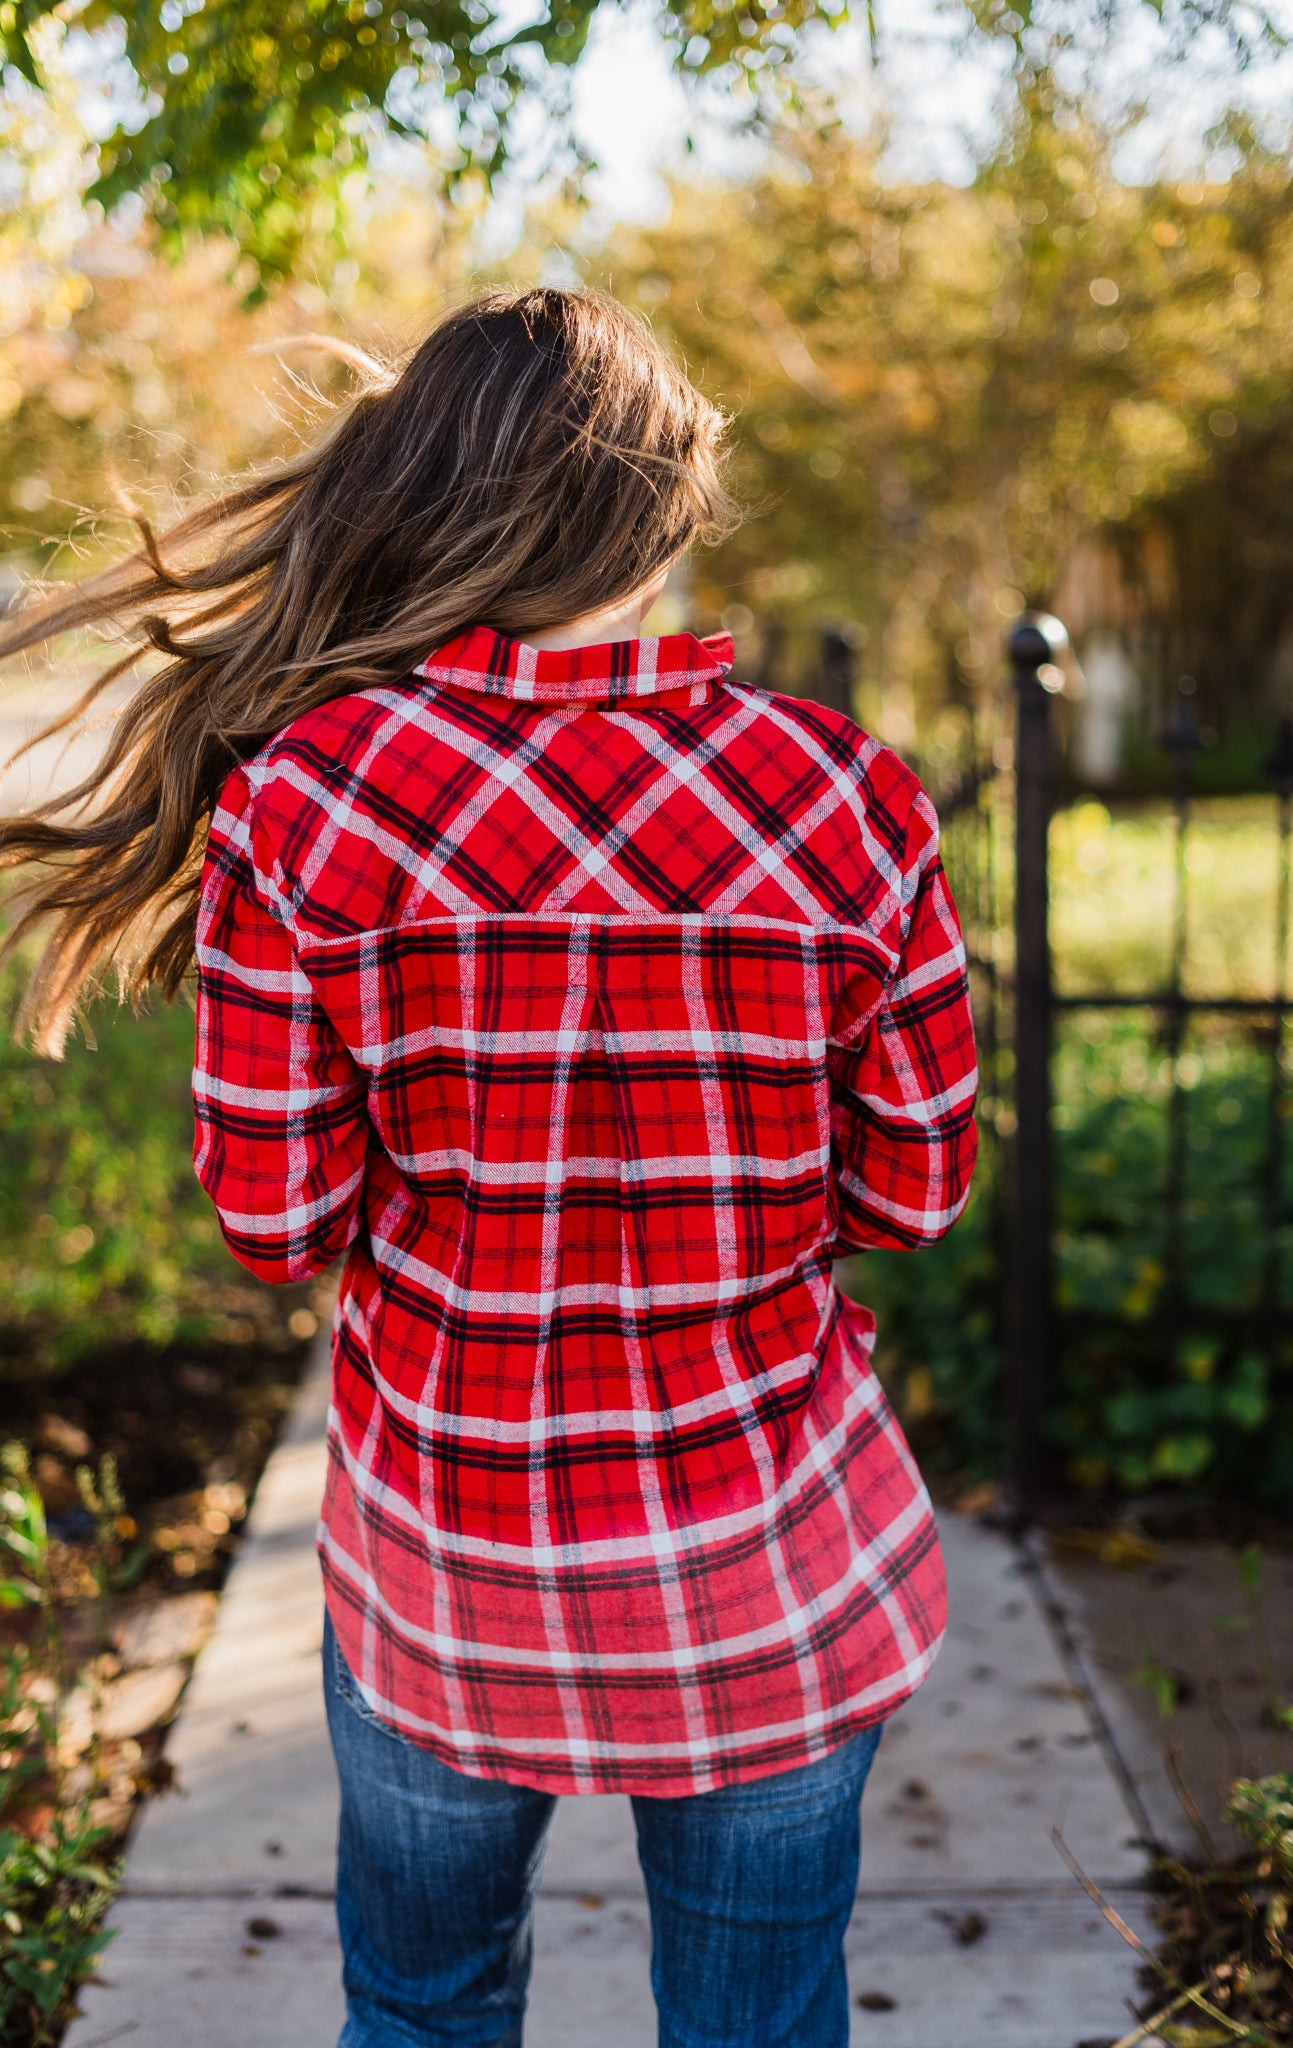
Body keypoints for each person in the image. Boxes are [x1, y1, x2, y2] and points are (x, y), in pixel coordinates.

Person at [0, 288, 978, 2048]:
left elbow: (277, 1220)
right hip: (769, 1564)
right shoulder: (849, 797)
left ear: (433, 493)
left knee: (428, 2011)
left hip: (450, 1576)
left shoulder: (309, 801)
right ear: (669, 513)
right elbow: (912, 1195)